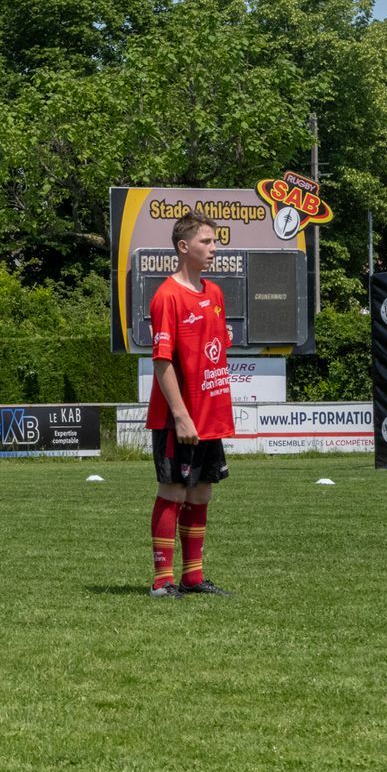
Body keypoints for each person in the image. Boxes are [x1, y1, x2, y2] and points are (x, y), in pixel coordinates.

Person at [144, 211, 236, 599]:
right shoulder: (167, 296)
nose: (214, 248)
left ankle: (193, 578)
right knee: (174, 492)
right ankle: (162, 581)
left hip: (209, 415)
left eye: (215, 242)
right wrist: (181, 416)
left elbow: (211, 349)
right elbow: (162, 361)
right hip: (178, 418)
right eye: (206, 241)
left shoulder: (214, 294)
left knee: (201, 493)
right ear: (184, 247)